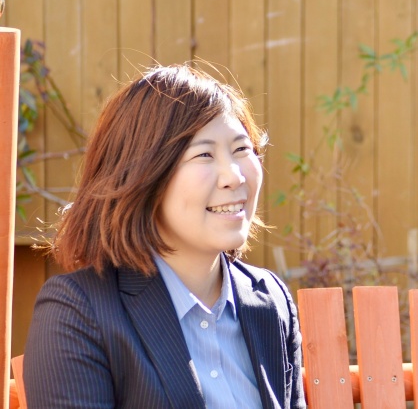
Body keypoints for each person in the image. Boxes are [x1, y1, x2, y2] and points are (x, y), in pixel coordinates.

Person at [24, 64, 306, 409]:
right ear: (142, 175)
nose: (234, 176)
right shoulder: (79, 312)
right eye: (204, 154)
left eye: (242, 150)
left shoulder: (270, 299)